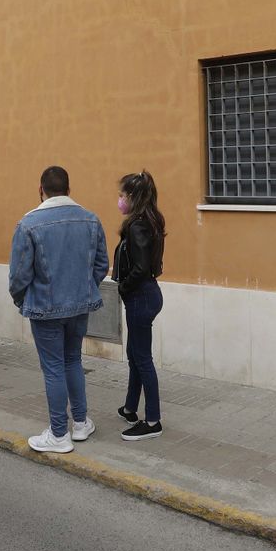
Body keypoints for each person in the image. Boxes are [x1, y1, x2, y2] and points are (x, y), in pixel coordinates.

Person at [8, 166, 109, 454]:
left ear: (41, 190)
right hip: (79, 305)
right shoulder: (91, 219)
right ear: (69, 189)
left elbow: (19, 275)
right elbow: (101, 264)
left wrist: (22, 300)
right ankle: (80, 422)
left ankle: (58, 433)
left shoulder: (28, 223)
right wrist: (84, 289)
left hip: (45, 307)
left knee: (53, 368)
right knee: (72, 360)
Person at [113, 171, 166, 441]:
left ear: (133, 197)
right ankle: (130, 408)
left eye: (122, 195)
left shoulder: (138, 226)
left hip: (140, 296)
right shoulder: (149, 221)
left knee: (142, 359)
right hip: (146, 294)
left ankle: (153, 421)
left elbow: (141, 267)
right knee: (135, 354)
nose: (119, 200)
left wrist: (123, 286)